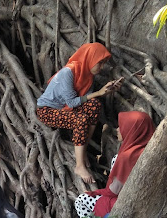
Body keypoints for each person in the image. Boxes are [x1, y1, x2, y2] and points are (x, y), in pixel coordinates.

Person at [37, 42, 124, 184]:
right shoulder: (68, 72)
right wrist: (98, 92)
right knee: (81, 119)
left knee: (94, 106)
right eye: (99, 63)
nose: (101, 68)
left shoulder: (88, 77)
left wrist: (108, 91)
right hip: (47, 111)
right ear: (90, 58)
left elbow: (86, 101)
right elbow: (72, 102)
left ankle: (82, 152)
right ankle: (79, 166)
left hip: (66, 110)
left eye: (103, 64)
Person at [75, 111, 156, 218]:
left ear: (132, 130)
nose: (118, 129)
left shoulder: (125, 157)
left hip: (126, 206)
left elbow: (115, 190)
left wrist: (98, 192)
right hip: (150, 204)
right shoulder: (153, 151)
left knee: (81, 200)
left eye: (123, 126)